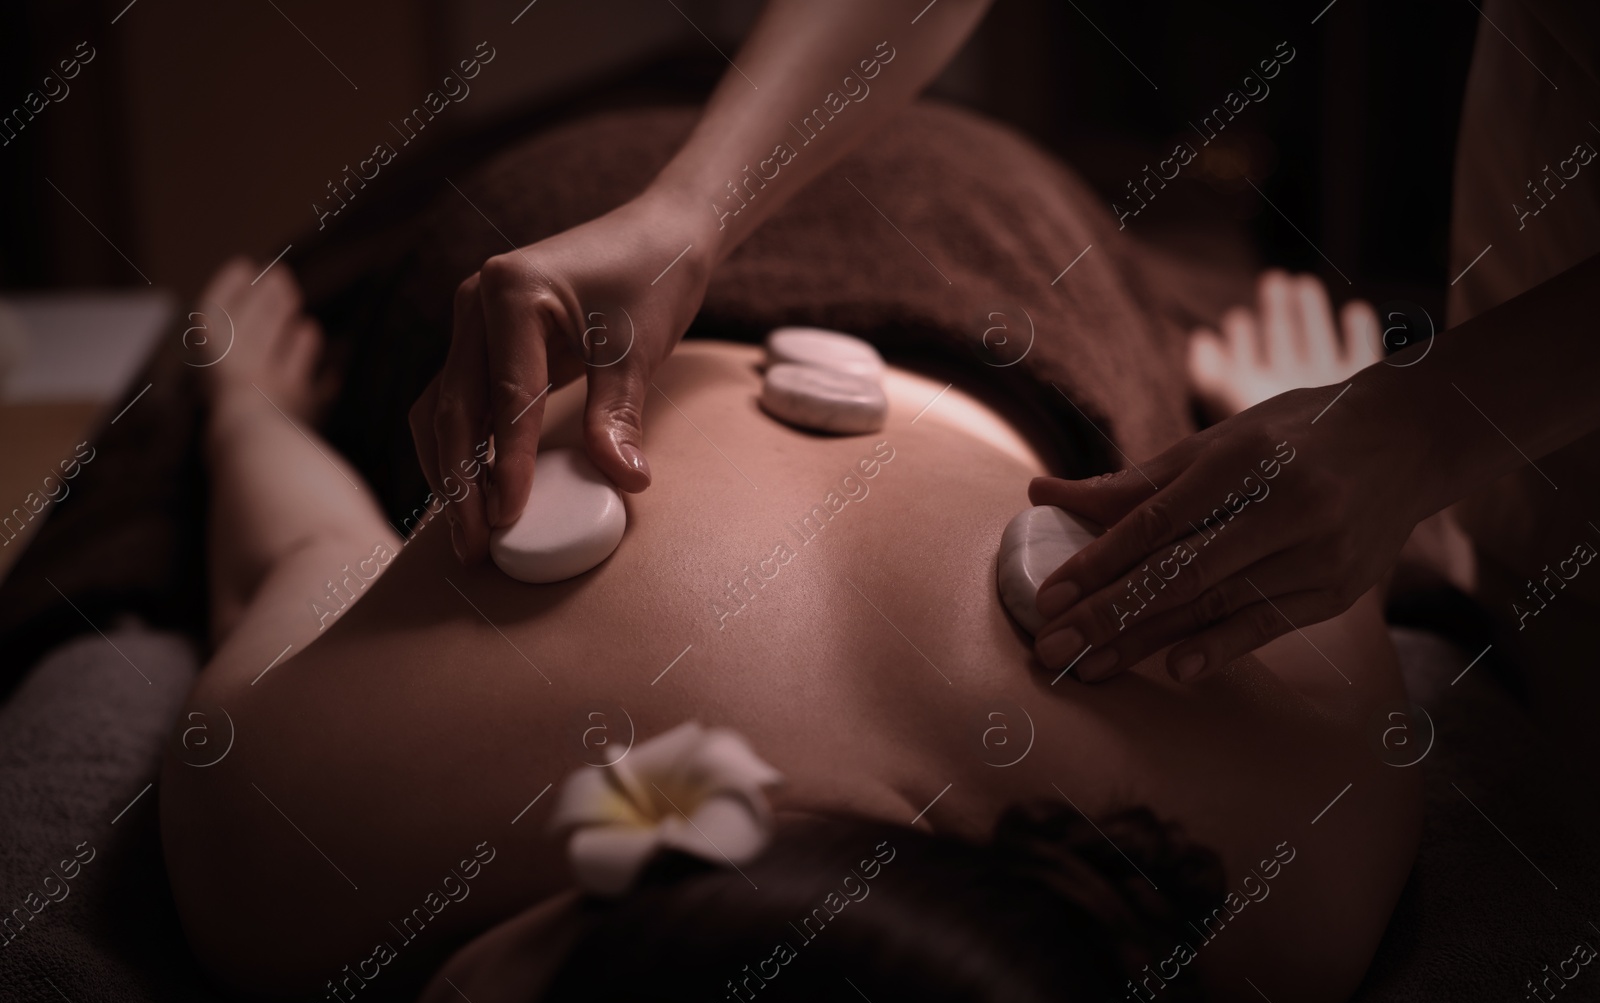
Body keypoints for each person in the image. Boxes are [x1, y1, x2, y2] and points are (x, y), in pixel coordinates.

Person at [161, 254, 1417, 1003]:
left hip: (1006, 299)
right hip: (591, 278)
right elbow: (303, 542)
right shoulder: (286, 842)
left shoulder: (1289, 884)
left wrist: (1331, 404)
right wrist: (250, 415)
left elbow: (1316, 544)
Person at [413, 0, 1600, 685]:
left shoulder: (336, 837)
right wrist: (1413, 436)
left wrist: (1416, 431)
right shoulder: (1272, 883)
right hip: (1034, 275)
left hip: (637, 208)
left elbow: (297, 552)